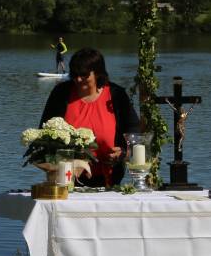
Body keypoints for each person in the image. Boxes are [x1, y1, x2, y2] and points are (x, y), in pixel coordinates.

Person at [39, 47, 139, 187]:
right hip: (67, 179)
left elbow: (134, 132)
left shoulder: (117, 95)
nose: (78, 79)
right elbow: (44, 133)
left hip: (109, 179)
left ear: (97, 73)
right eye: (75, 74)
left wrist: (123, 152)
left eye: (84, 75)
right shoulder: (61, 93)